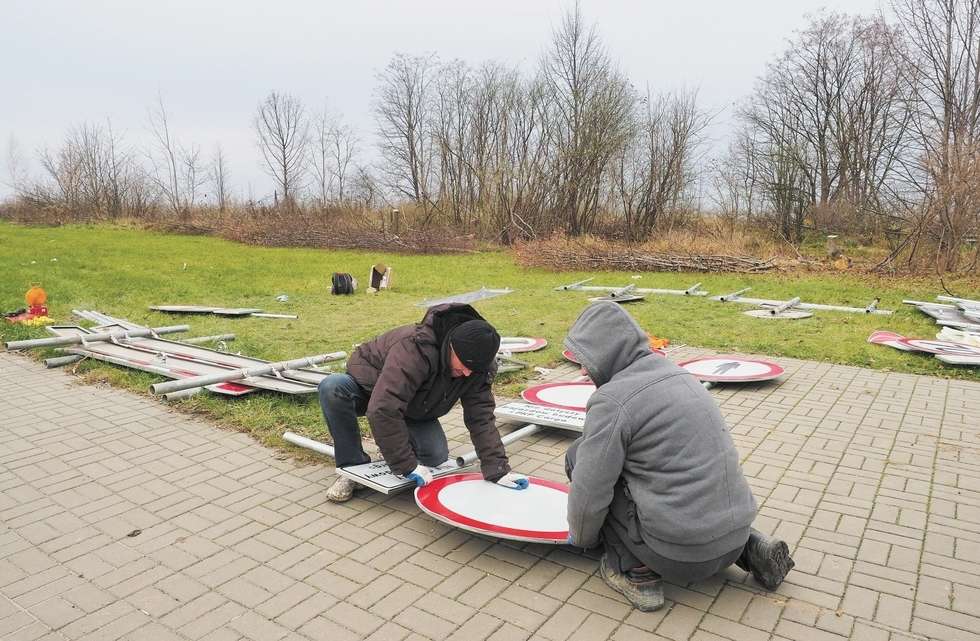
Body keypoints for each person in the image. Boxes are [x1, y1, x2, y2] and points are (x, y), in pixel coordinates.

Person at [563, 302, 794, 611]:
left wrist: (582, 538)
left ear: (605, 352)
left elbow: (590, 491)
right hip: (734, 530)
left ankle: (636, 573)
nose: (582, 370)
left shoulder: (612, 400)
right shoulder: (682, 375)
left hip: (677, 558)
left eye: (586, 359)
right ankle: (749, 547)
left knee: (579, 458)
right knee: (683, 479)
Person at [318, 303, 528, 502]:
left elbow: (481, 418)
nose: (466, 373)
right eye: (464, 366)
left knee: (435, 455)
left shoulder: (478, 366)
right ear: (452, 347)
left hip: (414, 405)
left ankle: (389, 443)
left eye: (472, 370)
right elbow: (383, 408)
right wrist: (406, 465)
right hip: (370, 388)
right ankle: (352, 469)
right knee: (332, 388)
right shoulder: (414, 348)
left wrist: (497, 469)